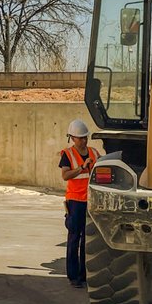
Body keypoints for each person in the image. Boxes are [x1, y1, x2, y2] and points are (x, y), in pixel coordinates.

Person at [60, 119, 99, 288]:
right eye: (80, 138)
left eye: (85, 137)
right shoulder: (67, 155)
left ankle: (84, 274)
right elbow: (65, 175)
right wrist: (82, 167)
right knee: (74, 238)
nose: (83, 141)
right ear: (72, 138)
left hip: (91, 200)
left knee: (88, 239)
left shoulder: (94, 152)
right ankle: (73, 276)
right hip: (75, 201)